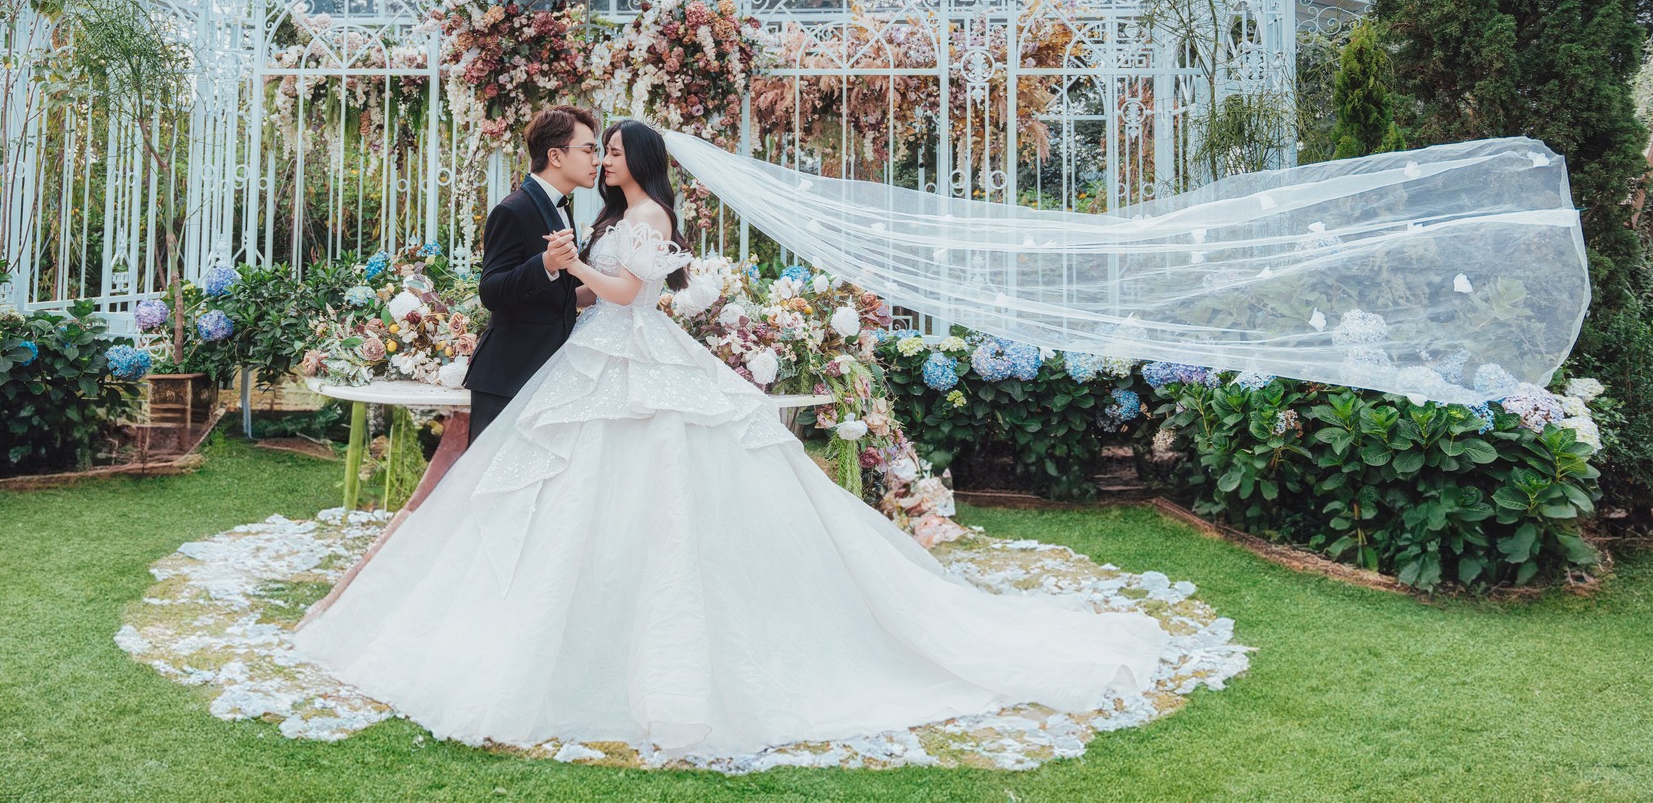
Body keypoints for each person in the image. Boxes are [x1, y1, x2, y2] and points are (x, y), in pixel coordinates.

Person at [295, 118, 1167, 759]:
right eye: (597, 148)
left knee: (653, 483)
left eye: (614, 150)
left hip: (630, 350)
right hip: (592, 355)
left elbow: (632, 294)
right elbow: (594, 292)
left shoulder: (649, 219)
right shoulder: (606, 218)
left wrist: (576, 268)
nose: (604, 158)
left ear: (639, 161)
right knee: (573, 488)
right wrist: (572, 274)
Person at [463, 105, 600, 439]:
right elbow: (490, 291)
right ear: (555, 156)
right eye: (589, 150)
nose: (597, 160)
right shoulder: (513, 210)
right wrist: (545, 264)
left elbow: (553, 298)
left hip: (545, 376)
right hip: (508, 378)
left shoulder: (560, 207)